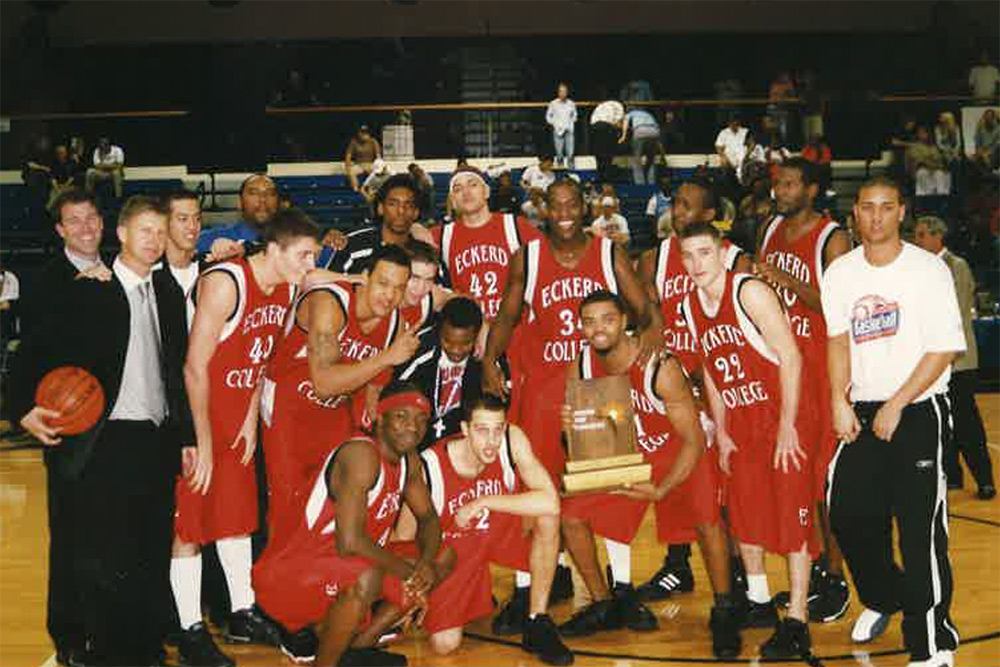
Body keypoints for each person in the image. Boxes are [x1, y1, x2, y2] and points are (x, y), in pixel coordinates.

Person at [482, 178, 662, 631]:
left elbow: (644, 309)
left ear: (585, 208)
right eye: (555, 205)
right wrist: (489, 360)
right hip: (544, 390)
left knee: (610, 486)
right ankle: (529, 593)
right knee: (539, 489)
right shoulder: (529, 257)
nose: (563, 212)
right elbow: (506, 315)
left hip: (599, 384)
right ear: (543, 209)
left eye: (571, 204)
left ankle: (622, 590)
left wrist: (647, 350)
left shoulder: (607, 252)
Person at [19, 196, 189, 666]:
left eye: (161, 232)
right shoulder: (88, 289)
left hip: (156, 442)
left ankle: (145, 646)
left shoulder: (169, 291)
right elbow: (32, 354)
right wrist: (20, 409)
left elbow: (177, 374)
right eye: (145, 231)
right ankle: (106, 651)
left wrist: (188, 438)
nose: (154, 240)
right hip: (106, 442)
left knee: (152, 550)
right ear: (123, 234)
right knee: (105, 558)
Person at [821, 178, 963, 666]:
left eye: (886, 208)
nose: (876, 217)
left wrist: (899, 402)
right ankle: (884, 596)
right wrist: (839, 400)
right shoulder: (839, 273)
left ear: (902, 212)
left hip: (920, 409)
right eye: (867, 208)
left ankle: (931, 643)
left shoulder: (927, 271)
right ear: (854, 214)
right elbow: (838, 341)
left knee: (919, 530)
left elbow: (944, 345)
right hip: (863, 409)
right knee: (847, 513)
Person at [557, 291, 742, 658]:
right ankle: (603, 603)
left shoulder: (660, 366)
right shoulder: (581, 363)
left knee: (707, 522)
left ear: (624, 321)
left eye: (607, 319)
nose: (598, 329)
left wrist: (663, 488)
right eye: (589, 321)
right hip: (628, 451)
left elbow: (692, 439)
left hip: (679, 451)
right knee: (572, 516)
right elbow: (585, 436)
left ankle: (725, 609)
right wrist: (570, 427)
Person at [175, 208, 322, 653]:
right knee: (189, 528)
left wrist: (249, 418)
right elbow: (194, 367)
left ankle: (242, 613)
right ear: (273, 249)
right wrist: (200, 437)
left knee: (236, 521)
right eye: (304, 255)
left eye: (313, 255)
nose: (310, 265)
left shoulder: (284, 286)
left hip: (235, 419)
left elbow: (258, 363)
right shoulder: (225, 282)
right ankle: (189, 629)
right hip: (195, 416)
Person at [679, 221, 816, 659]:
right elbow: (713, 374)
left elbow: (791, 357)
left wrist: (789, 425)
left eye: (704, 253)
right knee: (745, 512)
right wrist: (721, 433)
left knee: (793, 518)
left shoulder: (749, 292)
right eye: (688, 255)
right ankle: (759, 602)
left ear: (721, 253)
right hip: (742, 421)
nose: (696, 264)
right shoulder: (690, 303)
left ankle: (797, 620)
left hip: (784, 414)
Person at [253, 382, 452, 667]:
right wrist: (411, 575)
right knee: (368, 576)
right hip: (295, 570)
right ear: (380, 417)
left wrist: (427, 565)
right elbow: (350, 542)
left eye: (421, 420)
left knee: (445, 555)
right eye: (402, 417)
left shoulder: (410, 461)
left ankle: (353, 649)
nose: (413, 426)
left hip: (349, 563)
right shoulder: (361, 455)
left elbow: (430, 519)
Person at [258, 244, 419, 560]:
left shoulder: (393, 326)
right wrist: (388, 357)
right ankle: (277, 593)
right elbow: (325, 383)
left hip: (334, 415)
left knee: (332, 501)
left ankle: (318, 582)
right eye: (384, 284)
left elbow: (373, 392)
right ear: (364, 278)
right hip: (290, 408)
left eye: (399, 288)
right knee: (288, 506)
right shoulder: (330, 303)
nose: (389, 295)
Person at [634, 177, 751, 601]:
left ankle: (738, 569)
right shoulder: (653, 258)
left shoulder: (736, 259)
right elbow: (647, 321)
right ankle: (678, 563)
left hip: (722, 383)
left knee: (726, 487)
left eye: (685, 205)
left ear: (707, 215)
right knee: (676, 476)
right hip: (674, 388)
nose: (676, 210)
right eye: (674, 202)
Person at [9, 188, 108, 666]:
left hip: (121, 428)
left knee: (117, 535)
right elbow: (27, 354)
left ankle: (113, 627)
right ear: (60, 230)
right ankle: (70, 637)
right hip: (71, 429)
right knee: (71, 539)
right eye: (75, 220)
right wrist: (20, 409)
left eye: (92, 217)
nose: (87, 227)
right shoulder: (48, 281)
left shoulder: (121, 272)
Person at [756, 158, 853, 624]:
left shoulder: (832, 237)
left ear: (812, 190)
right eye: (779, 184)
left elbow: (843, 308)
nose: (782, 191)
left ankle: (835, 577)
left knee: (823, 485)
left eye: (791, 184)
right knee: (794, 480)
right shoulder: (770, 228)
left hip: (821, 372)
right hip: (782, 371)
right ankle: (810, 571)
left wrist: (791, 282)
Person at [412, 394, 571, 665]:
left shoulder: (512, 440)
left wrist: (483, 501)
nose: (492, 440)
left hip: (499, 530)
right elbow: (405, 536)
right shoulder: (429, 464)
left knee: (546, 516)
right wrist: (414, 587)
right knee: (444, 645)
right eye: (482, 430)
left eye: (498, 429)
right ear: (464, 429)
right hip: (456, 548)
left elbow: (551, 502)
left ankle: (537, 620)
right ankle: (475, 594)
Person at [912, 216, 995, 500]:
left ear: (938, 237)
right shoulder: (919, 269)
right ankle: (953, 476)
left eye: (922, 235)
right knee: (940, 421)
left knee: (966, 422)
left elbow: (956, 312)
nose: (917, 240)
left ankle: (985, 479)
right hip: (932, 359)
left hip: (956, 360)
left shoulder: (956, 266)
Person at [395, 297, 484, 448]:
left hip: (465, 437)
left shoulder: (484, 356)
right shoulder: (419, 349)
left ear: (477, 336)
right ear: (439, 331)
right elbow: (396, 394)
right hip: (421, 433)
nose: (456, 351)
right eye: (448, 342)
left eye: (466, 344)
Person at [325, 174, 436, 274]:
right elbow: (325, 288)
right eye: (393, 204)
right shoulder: (351, 246)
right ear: (380, 208)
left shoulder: (423, 254)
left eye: (409, 205)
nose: (401, 211)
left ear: (416, 212)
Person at [196, 174, 279, 256]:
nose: (263, 199)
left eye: (270, 193)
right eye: (254, 193)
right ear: (239, 202)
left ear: (278, 203)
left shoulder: (289, 243)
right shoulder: (207, 240)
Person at [620, 106, 662, 185]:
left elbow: (625, 123)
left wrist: (623, 136)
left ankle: (640, 184)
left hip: (640, 132)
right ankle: (651, 183)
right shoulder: (647, 114)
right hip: (655, 132)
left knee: (637, 160)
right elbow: (656, 126)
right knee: (651, 160)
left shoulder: (630, 113)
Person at [590, 100, 626, 184]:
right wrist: (620, 135)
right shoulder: (619, 106)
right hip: (606, 127)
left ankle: (600, 176)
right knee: (608, 154)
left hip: (595, 127)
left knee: (598, 154)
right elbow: (618, 123)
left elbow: (593, 119)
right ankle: (607, 177)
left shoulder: (602, 105)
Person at [546, 82, 577, 169]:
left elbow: (575, 115)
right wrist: (555, 124)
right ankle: (561, 170)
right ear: (558, 92)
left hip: (569, 130)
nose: (563, 93)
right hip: (558, 130)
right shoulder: (553, 103)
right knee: (559, 153)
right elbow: (548, 116)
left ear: (567, 92)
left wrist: (571, 123)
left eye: (564, 91)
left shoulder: (571, 103)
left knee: (570, 153)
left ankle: (572, 170)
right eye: (561, 91)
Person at [345, 125, 382, 193]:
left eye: (366, 133)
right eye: (362, 133)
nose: (364, 135)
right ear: (359, 133)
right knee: (351, 171)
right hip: (359, 164)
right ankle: (355, 189)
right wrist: (347, 166)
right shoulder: (354, 142)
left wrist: (378, 166)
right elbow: (348, 155)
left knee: (375, 172)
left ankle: (371, 189)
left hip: (370, 164)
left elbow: (378, 155)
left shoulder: (373, 141)